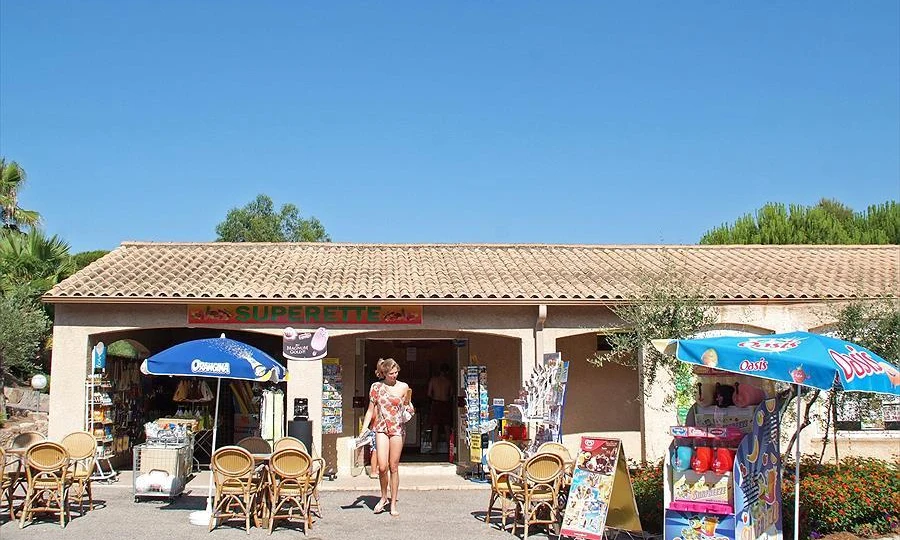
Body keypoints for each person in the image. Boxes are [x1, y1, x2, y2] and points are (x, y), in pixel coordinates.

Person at [362, 357, 414, 517]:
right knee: (382, 467)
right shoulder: (376, 387)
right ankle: (383, 496)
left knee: (394, 466)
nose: (394, 375)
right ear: (384, 373)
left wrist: (408, 409)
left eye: (396, 372)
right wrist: (364, 430)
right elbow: (370, 410)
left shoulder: (404, 387)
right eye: (391, 373)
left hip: (397, 428)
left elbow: (409, 407)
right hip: (381, 428)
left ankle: (393, 503)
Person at [426, 363, 453, 454]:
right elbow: (451, 394)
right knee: (447, 427)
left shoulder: (433, 380)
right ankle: (450, 450)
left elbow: (429, 393)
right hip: (445, 403)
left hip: (435, 403)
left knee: (435, 427)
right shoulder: (448, 381)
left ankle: (434, 449)